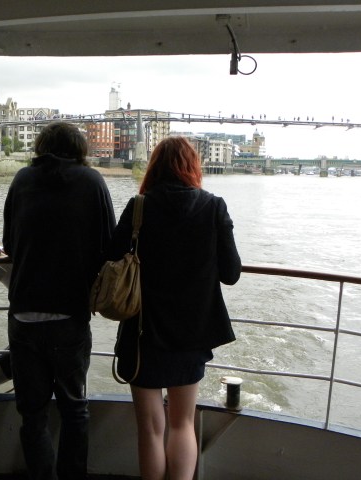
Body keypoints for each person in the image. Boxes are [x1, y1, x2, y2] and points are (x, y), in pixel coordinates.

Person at [106, 136, 241, 480]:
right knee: (182, 424)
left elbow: (112, 260)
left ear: (155, 167)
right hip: (193, 331)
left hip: (143, 330)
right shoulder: (214, 207)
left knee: (150, 428)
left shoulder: (138, 207)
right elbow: (231, 273)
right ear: (193, 167)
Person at [3, 122, 116, 479]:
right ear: (80, 149)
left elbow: (9, 242)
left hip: (23, 314)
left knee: (32, 414)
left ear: (40, 145)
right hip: (70, 315)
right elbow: (109, 245)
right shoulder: (92, 181)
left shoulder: (22, 180)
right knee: (74, 410)